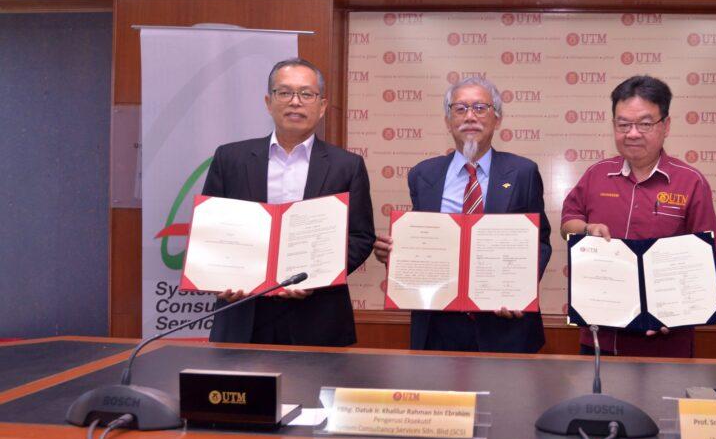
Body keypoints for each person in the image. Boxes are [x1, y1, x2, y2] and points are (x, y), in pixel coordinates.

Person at [202, 57, 375, 346]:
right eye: (285, 93)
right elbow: (210, 232)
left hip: (318, 316)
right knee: (240, 391)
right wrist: (220, 276)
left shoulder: (348, 165)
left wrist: (317, 277)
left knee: (309, 392)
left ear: (321, 107)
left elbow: (360, 237)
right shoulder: (230, 158)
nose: (295, 102)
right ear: (269, 102)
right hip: (243, 313)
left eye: (306, 94)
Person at [373, 77, 552, 353]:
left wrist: (518, 291)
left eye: (480, 108)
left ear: (497, 118)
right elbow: (422, 242)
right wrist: (393, 252)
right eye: (460, 109)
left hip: (503, 323)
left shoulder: (523, 172)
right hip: (438, 324)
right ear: (448, 120)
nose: (470, 116)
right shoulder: (423, 175)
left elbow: (540, 241)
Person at [561, 75, 716, 358]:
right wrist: (587, 229)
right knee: (598, 403)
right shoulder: (596, 175)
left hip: (665, 341)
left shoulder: (691, 182)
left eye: (645, 124)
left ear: (666, 125)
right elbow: (567, 225)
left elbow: (707, 261)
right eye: (623, 124)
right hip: (600, 337)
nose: (632, 133)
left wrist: (679, 312)